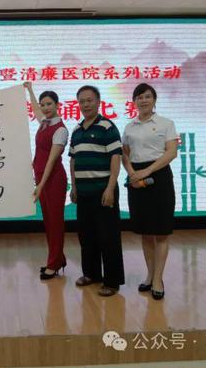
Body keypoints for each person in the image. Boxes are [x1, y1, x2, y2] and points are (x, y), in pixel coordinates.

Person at [122, 83, 178, 300]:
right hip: (137, 179)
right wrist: (132, 174)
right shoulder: (129, 127)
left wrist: (147, 171)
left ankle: (158, 279)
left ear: (154, 100)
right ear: (134, 101)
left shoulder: (166, 123)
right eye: (139, 97)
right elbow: (125, 154)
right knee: (145, 232)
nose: (143, 100)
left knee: (161, 232)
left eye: (147, 96)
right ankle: (150, 275)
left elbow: (171, 152)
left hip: (160, 177)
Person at [68, 85, 125, 297]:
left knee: (108, 237)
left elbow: (116, 157)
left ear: (98, 102)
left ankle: (112, 281)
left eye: (89, 100)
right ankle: (91, 274)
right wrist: (74, 187)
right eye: (82, 101)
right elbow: (73, 160)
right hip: (83, 193)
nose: (85, 104)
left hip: (103, 191)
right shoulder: (76, 130)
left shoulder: (107, 127)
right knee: (86, 236)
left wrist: (110, 188)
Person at [24, 82, 69, 280]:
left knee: (55, 222)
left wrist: (41, 185)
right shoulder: (45, 123)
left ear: (57, 105)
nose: (44, 108)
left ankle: (54, 263)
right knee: (49, 222)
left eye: (49, 104)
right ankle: (58, 258)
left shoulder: (60, 129)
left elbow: (51, 161)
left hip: (53, 180)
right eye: (43, 104)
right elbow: (35, 109)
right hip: (41, 179)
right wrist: (30, 90)